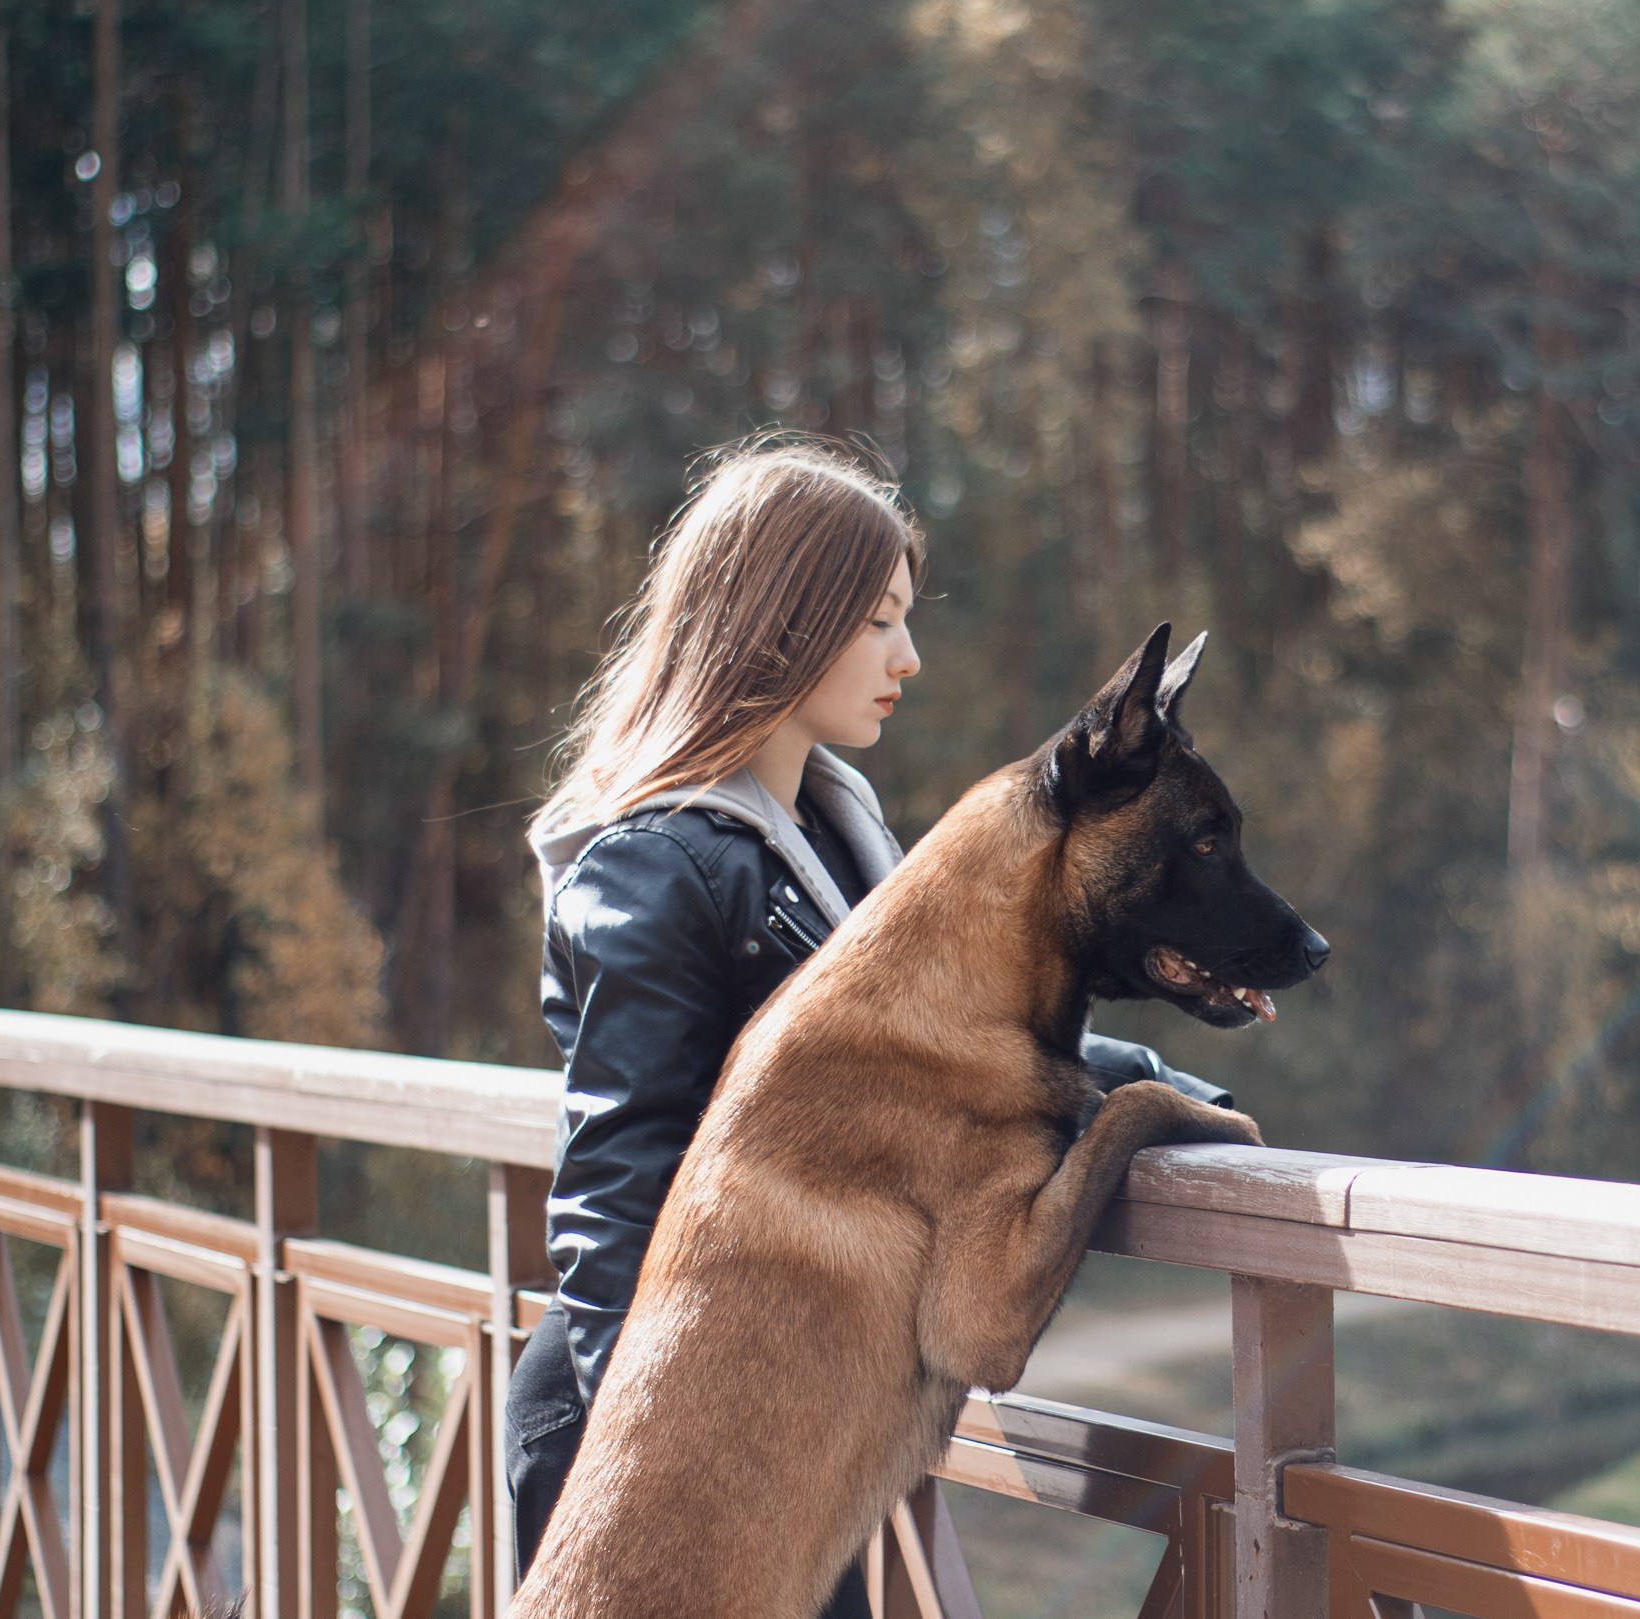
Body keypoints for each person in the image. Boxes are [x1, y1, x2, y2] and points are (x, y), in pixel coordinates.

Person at [509, 438, 1227, 1611]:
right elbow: (612, 1205)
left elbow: (936, 1070)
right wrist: (645, 1473)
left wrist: (1145, 1074)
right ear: (782, 622)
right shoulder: (657, 868)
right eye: (878, 620)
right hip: (649, 1441)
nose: (910, 654)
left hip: (778, 1419)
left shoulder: (844, 848)